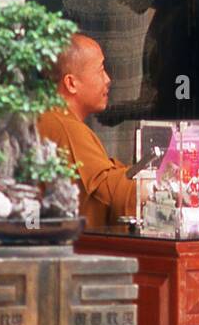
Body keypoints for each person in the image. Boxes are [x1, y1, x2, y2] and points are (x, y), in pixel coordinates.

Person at [37, 33, 138, 227]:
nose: (107, 79)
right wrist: (160, 183)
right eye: (100, 70)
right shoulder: (63, 127)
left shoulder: (51, 116)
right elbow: (105, 191)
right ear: (71, 83)